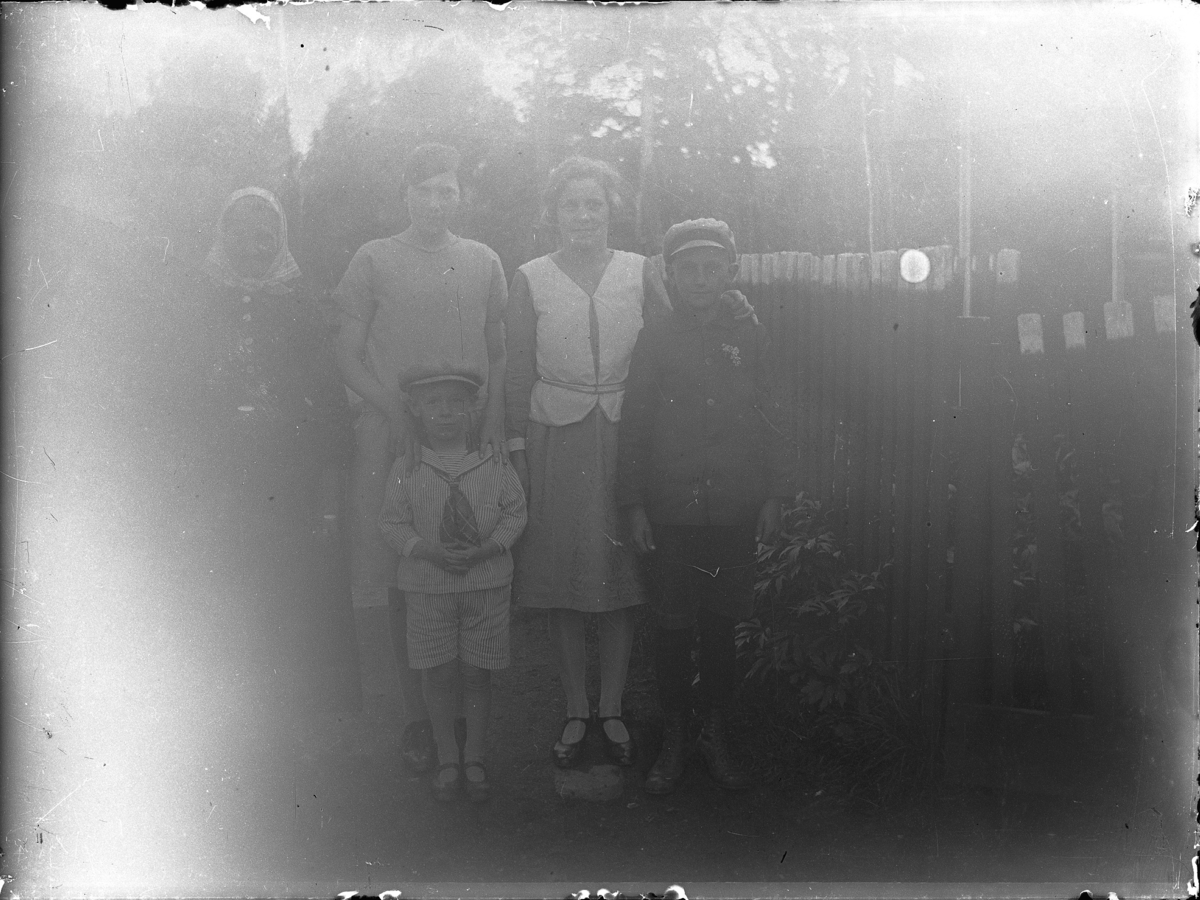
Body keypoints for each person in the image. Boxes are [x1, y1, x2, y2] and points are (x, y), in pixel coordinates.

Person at [333, 144, 509, 771]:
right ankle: (417, 718)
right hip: (395, 435)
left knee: (465, 563)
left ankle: (460, 716)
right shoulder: (373, 259)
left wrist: (492, 420)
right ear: (404, 195)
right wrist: (392, 410)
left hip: (464, 435)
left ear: (461, 196)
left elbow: (498, 351)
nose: (436, 202)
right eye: (425, 190)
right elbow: (347, 354)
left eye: (447, 191)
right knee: (406, 571)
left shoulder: (483, 260)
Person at [154, 187, 358, 715]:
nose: (254, 246)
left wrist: (327, 465)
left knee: (288, 576)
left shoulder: (299, 302)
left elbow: (324, 388)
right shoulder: (196, 300)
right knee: (221, 573)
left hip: (287, 465)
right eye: (242, 235)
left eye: (266, 236)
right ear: (224, 235)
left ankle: (292, 703)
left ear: (281, 238)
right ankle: (219, 703)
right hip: (217, 465)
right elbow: (176, 386)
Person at [616, 218, 794, 794]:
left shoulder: (752, 336)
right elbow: (635, 424)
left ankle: (715, 735)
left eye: (712, 268)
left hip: (734, 509)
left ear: (730, 273)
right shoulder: (656, 337)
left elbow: (774, 415)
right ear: (670, 275)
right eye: (688, 269)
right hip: (671, 511)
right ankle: (673, 738)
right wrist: (634, 505)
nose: (700, 279)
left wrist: (774, 494)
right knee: (671, 627)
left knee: (721, 627)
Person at [505, 156, 661, 768]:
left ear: (610, 210)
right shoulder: (531, 278)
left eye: (594, 203)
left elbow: (667, 352)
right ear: (554, 213)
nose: (583, 215)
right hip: (556, 438)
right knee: (564, 576)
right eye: (571, 204)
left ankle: (612, 706)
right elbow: (518, 367)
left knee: (618, 577)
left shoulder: (640, 271)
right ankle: (576, 706)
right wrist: (517, 448)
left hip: (625, 437)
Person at [378, 364, 527, 802]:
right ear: (415, 410)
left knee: (477, 673)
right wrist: (426, 550)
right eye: (433, 403)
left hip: (485, 586)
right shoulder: (408, 466)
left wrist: (488, 549)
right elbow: (391, 523)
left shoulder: (492, 461)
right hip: (429, 588)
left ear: (472, 409)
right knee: (439, 672)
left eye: (456, 403)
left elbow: (515, 513)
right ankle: (447, 757)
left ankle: (474, 756)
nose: (445, 412)